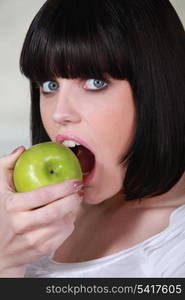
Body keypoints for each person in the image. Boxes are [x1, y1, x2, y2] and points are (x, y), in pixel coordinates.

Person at [0, 0, 185, 278]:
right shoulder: (19, 214)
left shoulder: (175, 254)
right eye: (50, 86)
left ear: (158, 89)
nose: (60, 113)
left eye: (95, 82)